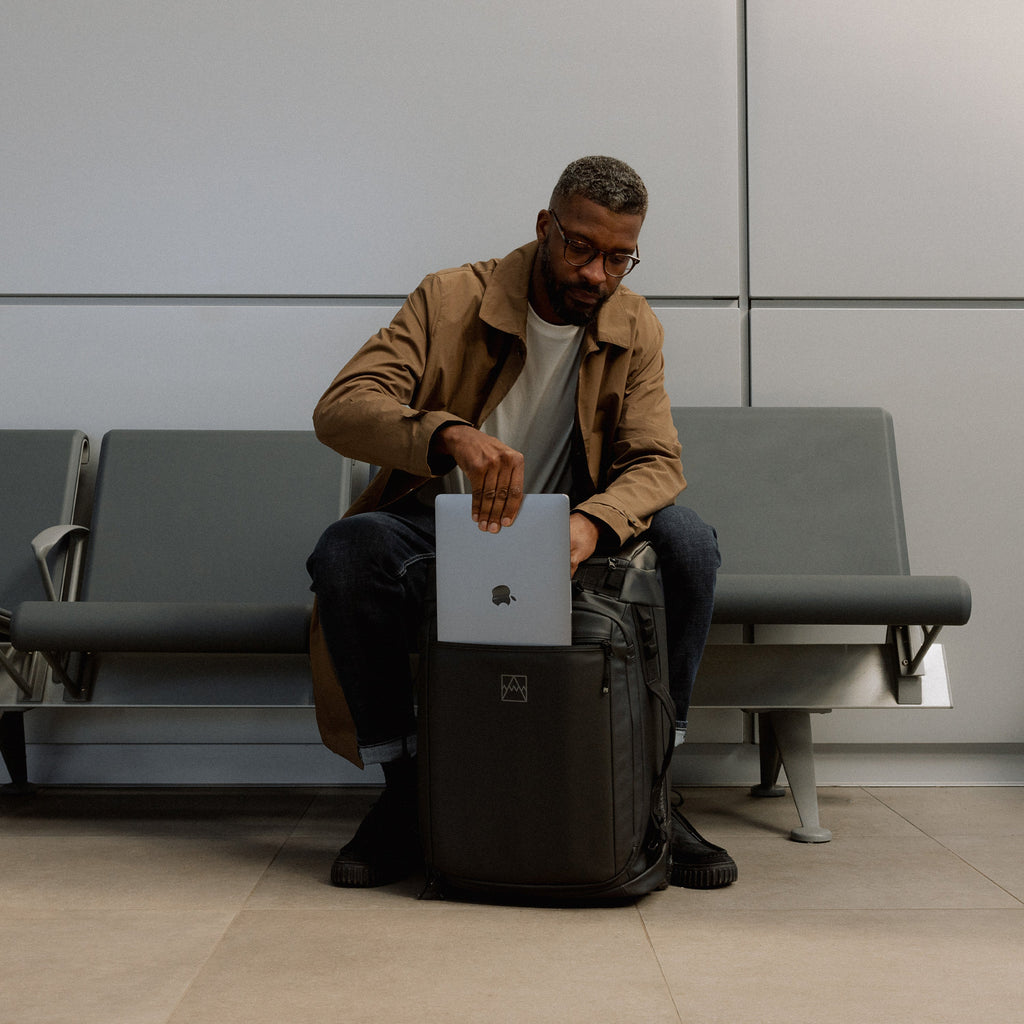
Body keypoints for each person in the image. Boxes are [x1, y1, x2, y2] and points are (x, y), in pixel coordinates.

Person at [306, 155, 736, 890]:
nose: (597, 274)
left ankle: (654, 788)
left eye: (619, 258)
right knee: (349, 550)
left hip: (578, 539)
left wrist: (594, 524)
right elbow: (341, 408)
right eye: (580, 247)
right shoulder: (448, 300)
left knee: (690, 541)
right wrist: (447, 436)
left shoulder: (635, 325)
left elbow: (657, 463)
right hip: (446, 531)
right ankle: (406, 792)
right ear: (545, 227)